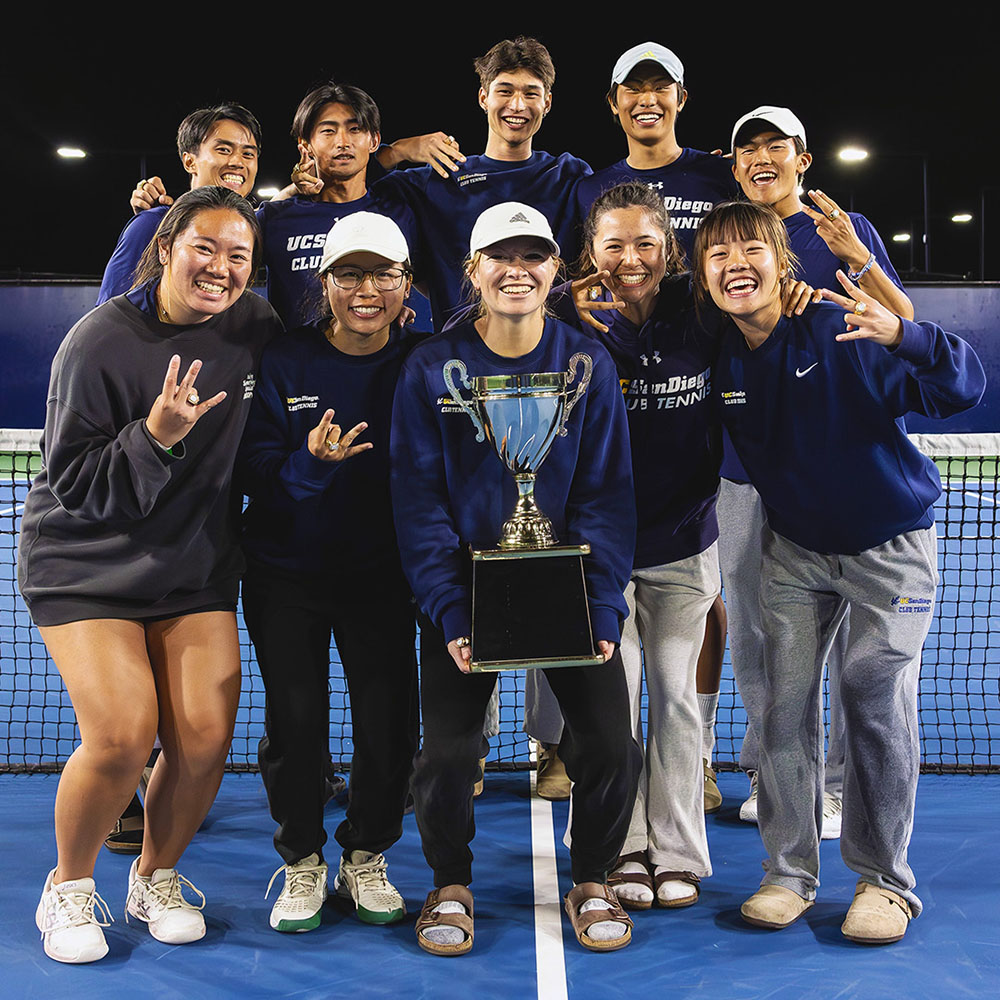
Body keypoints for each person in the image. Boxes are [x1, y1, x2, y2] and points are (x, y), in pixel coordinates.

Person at [695, 200, 984, 943]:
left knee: (870, 689)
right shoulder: (717, 354)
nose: (736, 265)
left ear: (782, 263)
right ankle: (789, 873)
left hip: (889, 548)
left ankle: (886, 883)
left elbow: (960, 390)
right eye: (718, 254)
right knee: (780, 707)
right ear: (701, 276)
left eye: (752, 250)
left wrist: (907, 333)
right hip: (794, 553)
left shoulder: (839, 328)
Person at [20, 186, 282, 963]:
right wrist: (155, 438)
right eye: (204, 247)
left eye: (239, 255)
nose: (221, 267)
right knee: (121, 735)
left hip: (190, 569)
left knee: (203, 738)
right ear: (165, 247)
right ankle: (67, 887)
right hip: (85, 563)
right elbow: (75, 484)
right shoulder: (97, 342)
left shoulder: (255, 327)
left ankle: (154, 876)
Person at [391, 202, 642, 955]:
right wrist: (449, 606)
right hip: (467, 591)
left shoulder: (588, 364)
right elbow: (419, 498)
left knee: (614, 747)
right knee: (446, 757)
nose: (517, 270)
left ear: (555, 270)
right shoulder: (430, 367)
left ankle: (591, 878)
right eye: (500, 256)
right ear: (473, 271)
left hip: (568, 590)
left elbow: (606, 492)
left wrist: (602, 607)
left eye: (533, 256)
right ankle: (450, 884)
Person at [530, 42, 738, 799]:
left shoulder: (716, 187)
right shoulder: (587, 200)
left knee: (681, 675)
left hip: (687, 516)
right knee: (598, 670)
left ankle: (695, 759)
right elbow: (509, 300)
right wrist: (560, 299)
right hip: (599, 523)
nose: (630, 257)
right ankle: (564, 751)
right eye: (633, 88)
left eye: (662, 87)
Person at [723, 106, 915, 834]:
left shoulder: (841, 228)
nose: (761, 157)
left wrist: (852, 266)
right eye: (748, 148)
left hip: (832, 468)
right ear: (734, 166)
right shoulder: (728, 239)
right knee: (757, 632)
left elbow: (897, 318)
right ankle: (771, 769)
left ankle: (835, 785)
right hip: (746, 470)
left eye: (775, 145)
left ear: (802, 159)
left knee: (850, 651)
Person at [236, 213, 422, 932]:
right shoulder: (285, 359)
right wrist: (309, 465)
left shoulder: (428, 359)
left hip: (383, 577)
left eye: (383, 275)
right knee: (296, 723)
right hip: (286, 573)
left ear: (406, 284)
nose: (366, 289)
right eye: (349, 274)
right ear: (325, 283)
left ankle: (366, 852)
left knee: (389, 724)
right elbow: (254, 468)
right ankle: (303, 858)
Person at [564, 182, 722, 908]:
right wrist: (558, 302)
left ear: (669, 249)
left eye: (645, 244)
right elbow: (474, 323)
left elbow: (768, 306)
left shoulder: (701, 310)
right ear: (590, 251)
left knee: (677, 701)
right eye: (614, 245)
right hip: (598, 556)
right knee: (611, 708)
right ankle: (616, 847)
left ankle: (680, 850)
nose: (630, 259)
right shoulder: (566, 321)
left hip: (685, 545)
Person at [122, 86, 464, 328]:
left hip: (384, 364)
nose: (342, 142)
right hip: (294, 376)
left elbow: (429, 280)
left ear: (373, 140)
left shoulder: (399, 209)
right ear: (305, 146)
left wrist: (390, 307)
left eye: (355, 130)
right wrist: (157, 213)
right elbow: (215, 243)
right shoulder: (275, 218)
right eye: (327, 131)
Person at [375, 36, 591, 331]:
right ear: (483, 98)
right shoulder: (443, 177)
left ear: (547, 103)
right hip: (459, 350)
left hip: (552, 349)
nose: (517, 105)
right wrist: (399, 150)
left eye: (531, 93)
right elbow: (349, 192)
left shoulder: (568, 174)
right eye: (505, 91)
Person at [97, 104, 263, 305]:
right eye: (224, 150)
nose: (238, 162)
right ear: (189, 162)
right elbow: (109, 312)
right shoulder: (153, 223)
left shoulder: (251, 230)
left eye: (248, 154)